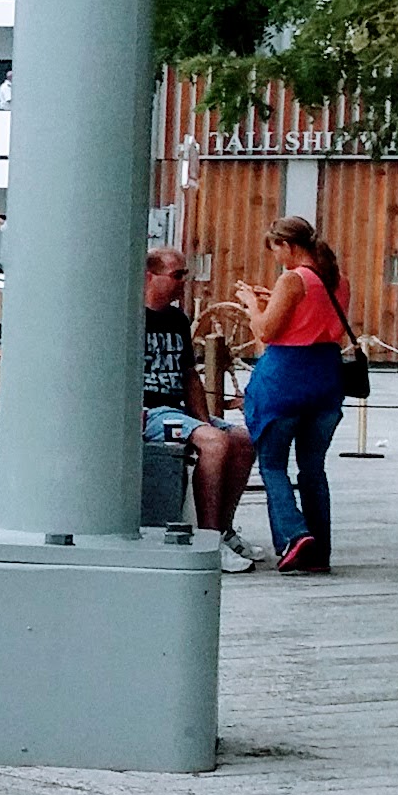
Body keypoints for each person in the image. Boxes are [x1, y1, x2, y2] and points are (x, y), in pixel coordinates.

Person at [236, 216, 351, 573]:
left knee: (272, 464)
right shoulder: (337, 279)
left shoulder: (292, 278)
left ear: (287, 245)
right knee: (313, 468)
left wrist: (252, 305)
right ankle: (320, 550)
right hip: (326, 378)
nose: (276, 258)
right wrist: (274, 301)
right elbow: (313, 315)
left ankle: (294, 535)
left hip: (286, 378)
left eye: (275, 250)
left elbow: (266, 331)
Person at [142, 248, 255, 571]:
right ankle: (208, 538)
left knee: (243, 440)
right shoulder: (130, 318)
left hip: (176, 408)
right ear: (150, 277)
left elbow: (190, 375)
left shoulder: (178, 319)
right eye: (177, 275)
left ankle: (224, 528)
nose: (183, 282)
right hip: (150, 411)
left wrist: (203, 420)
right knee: (214, 443)